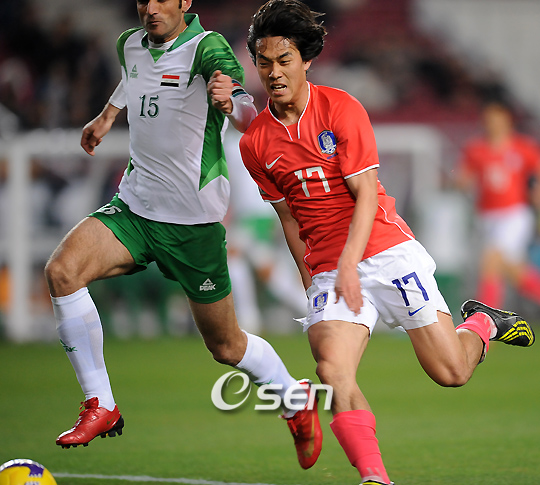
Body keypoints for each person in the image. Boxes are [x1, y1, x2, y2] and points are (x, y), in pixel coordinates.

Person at [239, 1, 536, 484]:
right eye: (264, 61)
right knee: (333, 371)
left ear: (306, 60)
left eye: (284, 60)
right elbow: (289, 219)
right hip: (330, 271)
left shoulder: (341, 109)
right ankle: (375, 477)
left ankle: (484, 322)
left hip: (385, 251)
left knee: (451, 372)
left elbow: (364, 196)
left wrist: (350, 264)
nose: (274, 72)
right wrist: (312, 281)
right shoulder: (254, 143)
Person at [44, 0, 322, 469]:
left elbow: (248, 111)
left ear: (185, 2)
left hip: (193, 224)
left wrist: (232, 103)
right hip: (135, 208)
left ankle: (295, 399)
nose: (151, 8)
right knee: (62, 272)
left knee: (226, 346)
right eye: (143, 0)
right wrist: (108, 114)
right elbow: (136, 75)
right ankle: (101, 403)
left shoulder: (207, 48)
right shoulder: (129, 43)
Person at [455, 100, 540, 309]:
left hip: (514, 214)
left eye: (497, 118)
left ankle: (486, 320)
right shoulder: (476, 149)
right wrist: (458, 182)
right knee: (513, 270)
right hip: (486, 217)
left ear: (507, 120)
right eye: (489, 119)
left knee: (491, 261)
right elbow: (463, 178)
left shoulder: (523, 147)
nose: (493, 123)